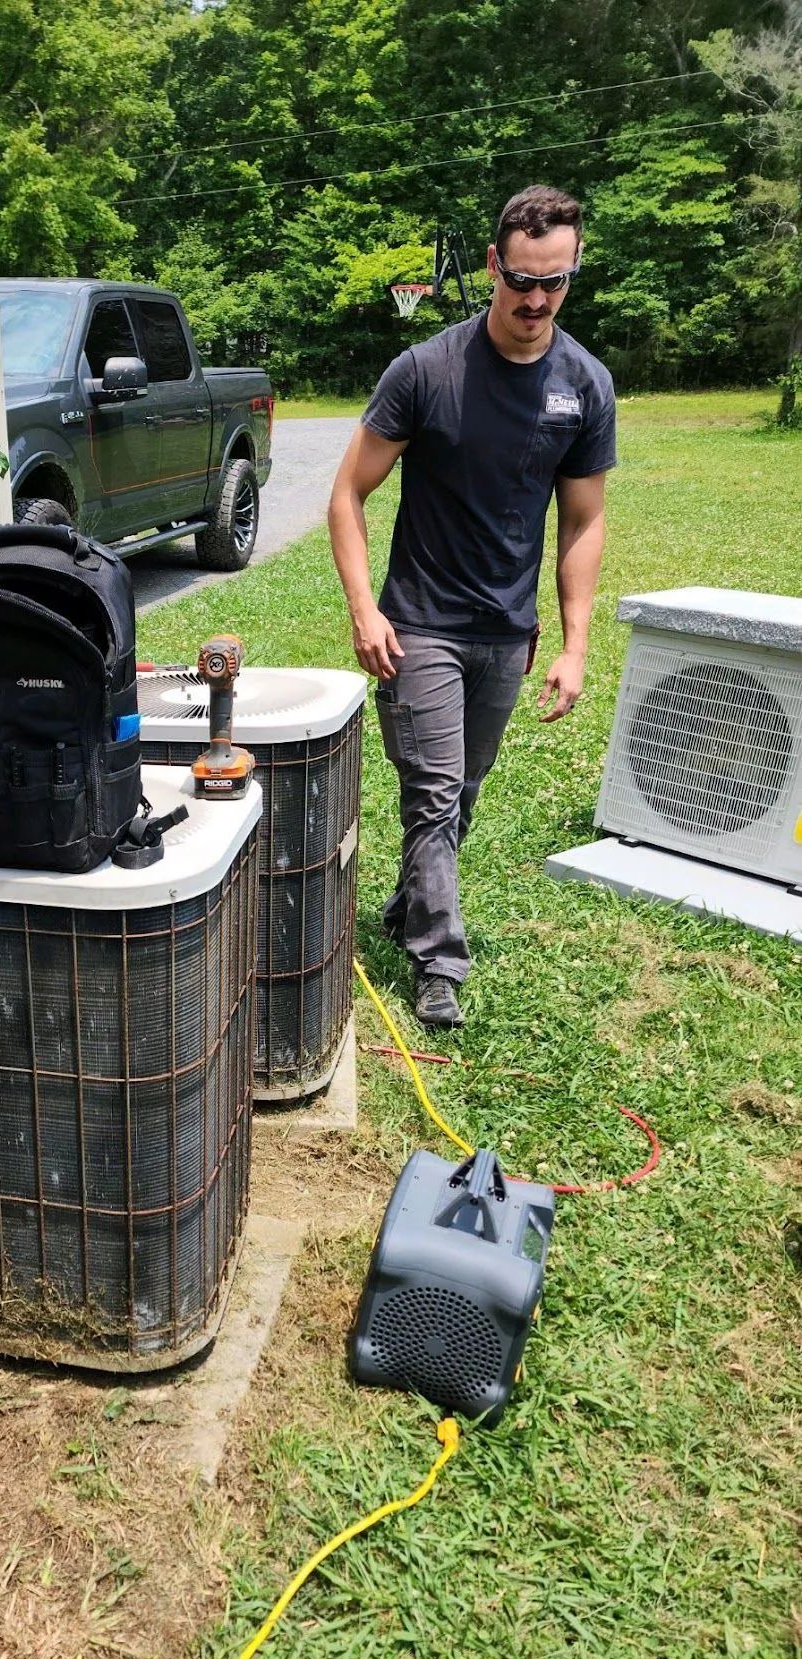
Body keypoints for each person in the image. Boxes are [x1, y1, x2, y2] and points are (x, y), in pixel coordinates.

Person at [328, 185, 616, 1029]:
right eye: (521, 280)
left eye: (554, 283)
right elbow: (348, 495)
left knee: (462, 792)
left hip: (506, 631)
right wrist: (361, 609)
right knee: (435, 788)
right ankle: (440, 963)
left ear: (572, 273)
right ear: (494, 265)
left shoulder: (584, 385)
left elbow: (584, 520)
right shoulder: (425, 371)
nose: (535, 300)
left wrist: (573, 643)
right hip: (418, 623)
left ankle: (405, 906)